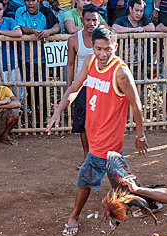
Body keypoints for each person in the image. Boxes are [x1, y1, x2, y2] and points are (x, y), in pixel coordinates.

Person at [46, 26, 149, 236]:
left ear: (116, 47)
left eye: (108, 49)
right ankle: (146, 202)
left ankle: (74, 216)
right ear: (92, 47)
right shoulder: (90, 62)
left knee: (85, 177)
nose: (103, 54)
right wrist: (58, 111)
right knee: (120, 178)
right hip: (94, 134)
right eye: (98, 48)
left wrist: (141, 136)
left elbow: (136, 104)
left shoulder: (121, 72)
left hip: (108, 138)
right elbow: (74, 88)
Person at [66, 4, 101, 164]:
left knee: (100, 123)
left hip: (101, 86)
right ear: (82, 20)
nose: (91, 23)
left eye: (94, 20)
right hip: (82, 87)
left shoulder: (104, 40)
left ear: (98, 20)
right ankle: (87, 156)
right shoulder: (74, 39)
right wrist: (69, 89)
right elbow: (70, 64)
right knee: (83, 124)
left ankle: (98, 155)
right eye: (88, 20)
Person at [15, 0, 60, 115]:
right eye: (27, 0)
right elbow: (20, 27)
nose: (30, 3)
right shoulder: (20, 11)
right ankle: (34, 114)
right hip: (25, 58)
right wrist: (34, 31)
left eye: (33, 0)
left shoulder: (45, 11)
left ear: (38, 1)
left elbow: (57, 26)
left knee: (44, 87)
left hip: (43, 58)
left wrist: (49, 31)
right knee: (29, 88)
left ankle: (44, 115)